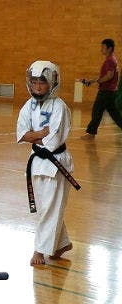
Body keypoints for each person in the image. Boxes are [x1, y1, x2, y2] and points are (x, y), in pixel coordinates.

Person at [17, 60, 76, 266]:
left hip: (56, 164)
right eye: (34, 82)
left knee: (50, 208)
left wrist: (35, 136)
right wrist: (40, 133)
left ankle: (39, 250)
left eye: (42, 82)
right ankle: (61, 243)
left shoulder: (60, 107)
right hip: (36, 163)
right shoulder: (28, 105)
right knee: (45, 208)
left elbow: (53, 141)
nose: (37, 86)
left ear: (52, 82)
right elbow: (22, 134)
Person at [80, 38, 122, 140]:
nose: (101, 49)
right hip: (110, 92)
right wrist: (92, 81)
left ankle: (91, 133)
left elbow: (109, 76)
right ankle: (91, 133)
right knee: (115, 114)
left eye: (103, 47)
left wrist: (96, 81)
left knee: (96, 111)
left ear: (109, 48)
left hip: (106, 92)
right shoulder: (112, 59)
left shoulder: (110, 60)